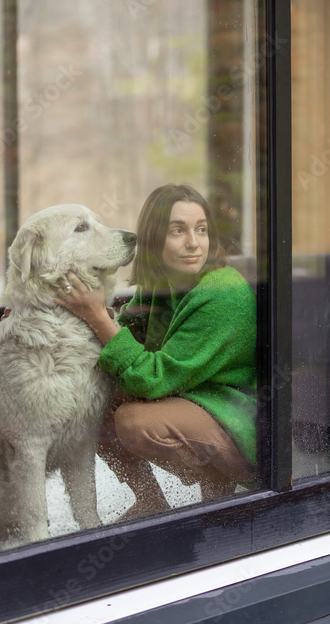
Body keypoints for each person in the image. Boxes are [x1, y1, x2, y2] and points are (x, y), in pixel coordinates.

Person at [54, 184, 257, 519]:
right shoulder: (166, 282)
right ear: (153, 239)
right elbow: (123, 342)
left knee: (134, 422)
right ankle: (150, 500)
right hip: (196, 398)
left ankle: (219, 498)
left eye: (201, 230)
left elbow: (150, 378)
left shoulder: (222, 293)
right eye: (178, 230)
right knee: (95, 403)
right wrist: (51, 313)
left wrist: (95, 315)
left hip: (242, 421)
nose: (193, 243)